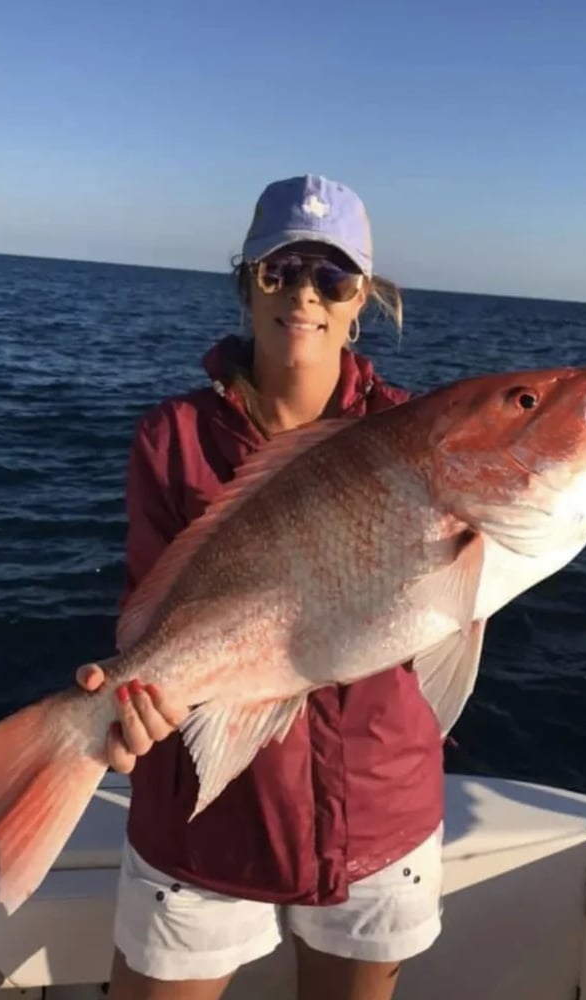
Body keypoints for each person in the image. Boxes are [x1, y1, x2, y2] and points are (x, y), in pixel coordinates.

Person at [77, 174, 446, 1000]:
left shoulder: (419, 437)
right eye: (281, 271)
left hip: (377, 817)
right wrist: (133, 701)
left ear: (363, 300)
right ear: (246, 283)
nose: (305, 295)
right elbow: (152, 617)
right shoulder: (171, 439)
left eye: (333, 277)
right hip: (202, 822)